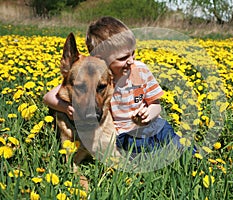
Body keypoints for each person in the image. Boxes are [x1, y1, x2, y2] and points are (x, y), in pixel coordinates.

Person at [43, 16, 192, 155]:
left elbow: (156, 104)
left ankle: (193, 159)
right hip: (127, 135)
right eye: (123, 57)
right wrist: (66, 107)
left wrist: (149, 114)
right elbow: (50, 96)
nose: (131, 61)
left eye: (133, 53)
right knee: (146, 152)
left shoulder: (140, 70)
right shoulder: (97, 73)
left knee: (178, 143)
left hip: (154, 125)